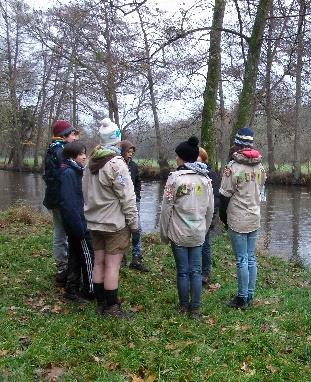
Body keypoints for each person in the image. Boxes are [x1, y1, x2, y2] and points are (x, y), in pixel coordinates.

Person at [83, 118, 138, 318]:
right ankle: (112, 308)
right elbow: (128, 198)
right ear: (117, 140)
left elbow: (85, 191)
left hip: (94, 222)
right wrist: (134, 224)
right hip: (114, 224)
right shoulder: (117, 164)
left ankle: (100, 304)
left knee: (99, 262)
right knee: (112, 265)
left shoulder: (90, 162)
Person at [159, 136, 214, 319]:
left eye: (177, 156)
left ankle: (183, 306)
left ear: (182, 157)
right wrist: (204, 230)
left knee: (183, 271)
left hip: (178, 232)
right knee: (196, 271)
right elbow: (210, 209)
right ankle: (195, 310)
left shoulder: (174, 179)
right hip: (198, 232)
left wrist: (164, 232)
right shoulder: (206, 180)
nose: (175, 158)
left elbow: (166, 208)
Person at [219, 127, 266, 309]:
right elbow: (261, 189)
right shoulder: (260, 166)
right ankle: (250, 295)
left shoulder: (233, 167)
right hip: (255, 216)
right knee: (251, 258)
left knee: (241, 259)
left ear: (237, 144)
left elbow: (224, 194)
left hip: (238, 218)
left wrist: (223, 217)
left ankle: (241, 299)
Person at [43, 120, 78, 287]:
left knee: (60, 233)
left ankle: (62, 268)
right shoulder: (61, 151)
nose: (74, 137)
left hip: (55, 198)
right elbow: (63, 177)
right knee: (63, 234)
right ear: (63, 136)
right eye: (72, 134)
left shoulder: (53, 149)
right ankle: (64, 269)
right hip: (61, 199)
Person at [58, 142, 94, 303]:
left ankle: (71, 290)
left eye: (84, 153)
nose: (85, 156)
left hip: (76, 223)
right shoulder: (69, 173)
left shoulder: (74, 171)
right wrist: (80, 228)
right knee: (88, 257)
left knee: (75, 257)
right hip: (78, 225)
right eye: (81, 154)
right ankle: (90, 290)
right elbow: (69, 203)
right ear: (73, 156)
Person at [120, 140, 149, 272]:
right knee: (122, 229)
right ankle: (122, 257)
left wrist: (136, 196)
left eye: (132, 152)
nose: (130, 154)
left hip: (134, 201)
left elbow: (138, 182)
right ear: (122, 152)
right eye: (128, 152)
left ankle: (136, 257)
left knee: (137, 229)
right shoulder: (117, 165)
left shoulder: (134, 166)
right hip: (120, 203)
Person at [197, 147, 220, 286]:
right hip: (192, 215)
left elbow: (216, 198)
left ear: (204, 159)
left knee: (205, 245)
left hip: (206, 216)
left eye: (198, 157)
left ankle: (205, 273)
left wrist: (212, 217)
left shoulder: (212, 175)